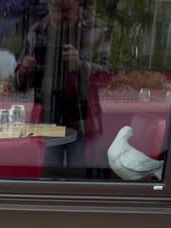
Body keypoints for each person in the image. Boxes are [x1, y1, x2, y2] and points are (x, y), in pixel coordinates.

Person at [14, 0, 110, 171]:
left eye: (66, 11)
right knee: (49, 184)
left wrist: (81, 66)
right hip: (48, 120)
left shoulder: (97, 29)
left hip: (83, 120)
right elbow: (19, 85)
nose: (60, 17)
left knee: (79, 184)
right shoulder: (37, 31)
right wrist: (25, 70)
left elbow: (107, 78)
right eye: (55, 10)